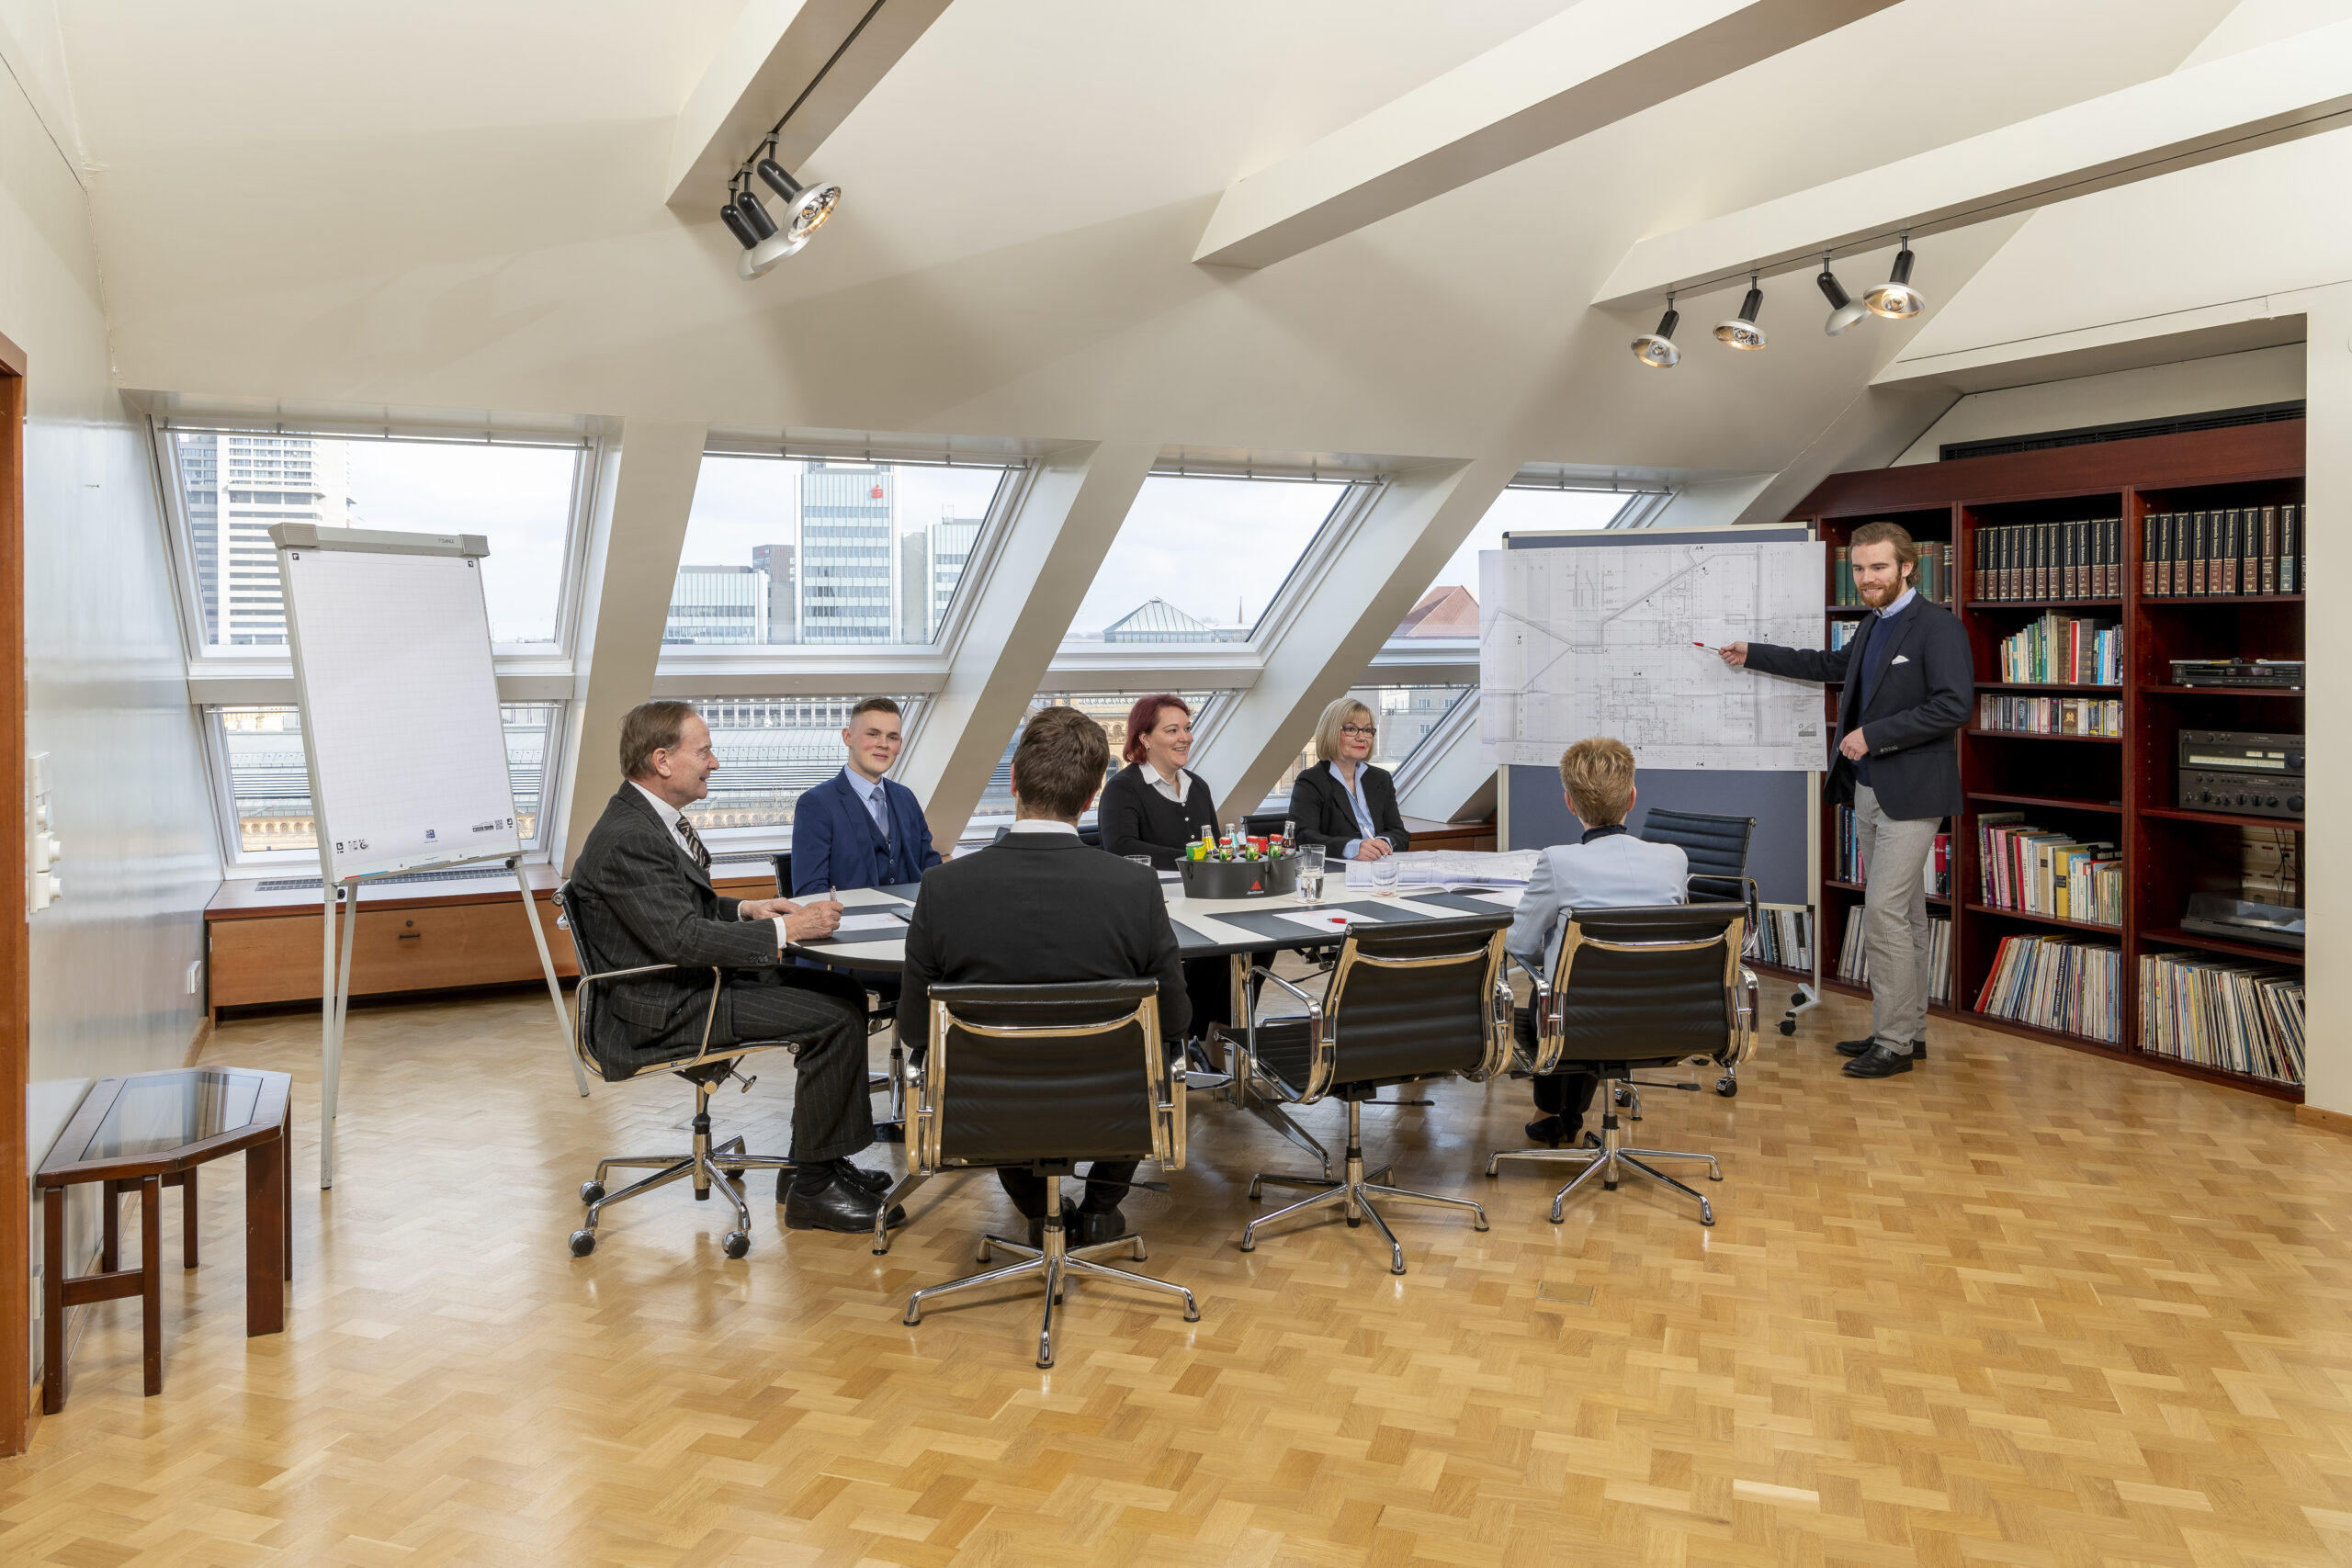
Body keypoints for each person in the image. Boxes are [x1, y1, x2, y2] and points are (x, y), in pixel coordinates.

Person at [566, 701, 899, 1234]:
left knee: (842, 996)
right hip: (665, 1007)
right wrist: (787, 930)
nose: (715, 763)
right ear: (662, 760)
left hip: (684, 983)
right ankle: (813, 1190)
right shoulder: (629, 836)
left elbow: (677, 914)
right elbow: (681, 938)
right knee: (835, 1016)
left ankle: (815, 1164)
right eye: (705, 752)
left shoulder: (645, 820)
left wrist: (749, 909)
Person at [897, 705, 1189, 1247]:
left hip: (989, 1112)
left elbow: (916, 1030)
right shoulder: (1134, 888)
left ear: (1013, 781)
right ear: (1092, 797)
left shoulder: (943, 889)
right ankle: (1101, 1207)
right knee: (1147, 1052)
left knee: (999, 1067)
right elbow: (1175, 1018)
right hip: (1112, 1106)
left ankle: (1037, 1209)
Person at [1717, 519, 1971, 1078]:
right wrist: (1752, 652)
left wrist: (1873, 735)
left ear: (1908, 567)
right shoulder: (1873, 624)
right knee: (1904, 915)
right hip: (1869, 791)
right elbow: (1830, 667)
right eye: (1859, 569)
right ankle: (1908, 1032)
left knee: (1882, 913)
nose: (1867, 578)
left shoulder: (1938, 628)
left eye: (1878, 567)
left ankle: (1895, 1043)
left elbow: (1953, 707)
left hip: (1912, 792)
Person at [1507, 738, 1689, 1147]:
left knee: (1558, 988)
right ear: (1633, 797)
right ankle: (1566, 1115)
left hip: (1578, 1019)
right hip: (1666, 1015)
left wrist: (1552, 948)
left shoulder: (1558, 860)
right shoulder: (1674, 858)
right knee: (1587, 983)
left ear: (1570, 803)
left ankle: (1553, 1114)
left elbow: (1519, 944)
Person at [1096, 694, 1261, 1042]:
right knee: (1219, 950)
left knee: (1260, 941)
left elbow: (1214, 846)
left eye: (1186, 728)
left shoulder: (1197, 786)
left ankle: (1220, 1036)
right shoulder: (1122, 788)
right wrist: (1191, 860)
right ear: (1144, 738)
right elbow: (1121, 848)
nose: (1185, 737)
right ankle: (1187, 1039)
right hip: (1155, 907)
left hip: (1203, 899)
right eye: (1172, 730)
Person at [790, 696, 944, 898]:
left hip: (914, 923)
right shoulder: (816, 804)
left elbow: (932, 871)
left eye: (892, 737)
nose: (883, 744)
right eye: (873, 734)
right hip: (849, 924)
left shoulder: (905, 797)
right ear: (848, 737)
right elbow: (809, 893)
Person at [1289, 696, 1412, 861]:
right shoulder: (1311, 781)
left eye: (1368, 730)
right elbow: (1303, 837)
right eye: (1352, 729)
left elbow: (1399, 833)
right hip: (1337, 874)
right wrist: (1353, 848)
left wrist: (1384, 843)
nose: (1362, 737)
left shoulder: (1381, 778)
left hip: (1381, 868)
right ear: (1331, 731)